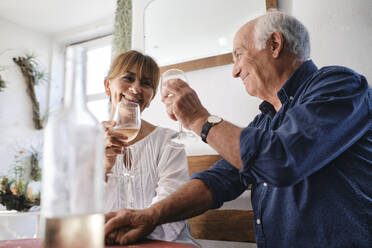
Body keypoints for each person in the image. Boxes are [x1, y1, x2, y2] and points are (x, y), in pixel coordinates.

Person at [104, 11, 372, 248]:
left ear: (275, 44)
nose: (234, 71)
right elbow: (218, 181)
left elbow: (283, 159)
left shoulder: (341, 85)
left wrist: (199, 118)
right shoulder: (264, 121)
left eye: (238, 55)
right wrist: (151, 216)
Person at [102, 50, 199, 247]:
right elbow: (76, 213)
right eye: (128, 78)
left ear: (152, 96)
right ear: (107, 86)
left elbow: (171, 210)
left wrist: (128, 232)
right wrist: (103, 168)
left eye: (146, 83)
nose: (136, 89)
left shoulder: (168, 141)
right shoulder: (87, 142)